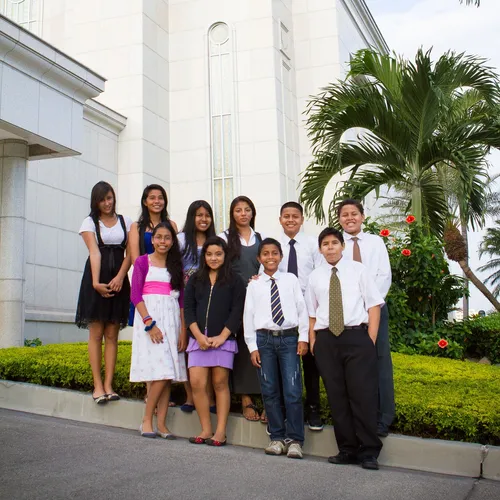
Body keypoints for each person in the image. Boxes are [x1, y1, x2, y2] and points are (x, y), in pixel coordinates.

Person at [305, 228, 384, 470]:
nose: (330, 247)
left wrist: (370, 339)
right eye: (325, 244)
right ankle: (347, 449)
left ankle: (369, 452)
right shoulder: (315, 276)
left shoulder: (359, 270)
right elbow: (311, 313)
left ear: (342, 246)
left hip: (356, 337)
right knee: (337, 397)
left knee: (362, 396)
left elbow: (374, 305)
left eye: (334, 243)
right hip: (327, 340)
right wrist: (313, 342)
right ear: (320, 249)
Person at [245, 238, 309, 459]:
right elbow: (248, 317)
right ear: (259, 258)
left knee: (292, 390)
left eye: (274, 253)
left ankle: (295, 440)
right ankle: (277, 437)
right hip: (264, 341)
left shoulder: (290, 279)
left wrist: (303, 338)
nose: (270, 257)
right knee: (269, 390)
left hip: (289, 339)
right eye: (265, 253)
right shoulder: (253, 284)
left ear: (280, 256)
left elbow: (302, 309)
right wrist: (252, 346)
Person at [337, 199, 395, 438]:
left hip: (374, 310)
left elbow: (384, 276)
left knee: (379, 362)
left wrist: (368, 305)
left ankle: (383, 418)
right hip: (347, 316)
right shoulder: (335, 244)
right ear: (339, 219)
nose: (349, 218)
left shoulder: (375, 242)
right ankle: (356, 418)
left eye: (354, 213)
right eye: (344, 214)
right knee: (350, 368)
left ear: (362, 216)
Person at [184, 237, 246, 446]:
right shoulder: (195, 279)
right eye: (209, 254)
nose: (213, 258)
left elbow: (237, 311)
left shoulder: (235, 280)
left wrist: (222, 336)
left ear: (225, 255)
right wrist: (198, 336)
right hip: (198, 339)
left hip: (224, 340)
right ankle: (205, 428)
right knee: (197, 384)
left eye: (218, 254)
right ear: (204, 256)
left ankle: (220, 432)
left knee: (220, 383)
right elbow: (189, 310)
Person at [128, 184, 185, 408]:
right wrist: (147, 275)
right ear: (145, 201)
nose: (156, 201)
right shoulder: (137, 227)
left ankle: (162, 400)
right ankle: (149, 396)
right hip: (147, 291)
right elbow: (135, 258)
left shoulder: (171, 225)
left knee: (167, 348)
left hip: (167, 292)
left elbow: (175, 260)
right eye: (152, 197)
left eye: (160, 197)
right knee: (150, 348)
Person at [129, 222, 188, 438]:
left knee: (167, 373)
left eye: (167, 238)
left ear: (173, 242)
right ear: (152, 240)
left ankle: (161, 424)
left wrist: (183, 330)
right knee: (161, 372)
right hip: (150, 321)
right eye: (159, 237)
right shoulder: (142, 262)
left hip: (171, 321)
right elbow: (135, 295)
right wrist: (149, 323)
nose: (163, 241)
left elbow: (181, 301)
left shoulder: (176, 266)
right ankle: (146, 419)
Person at [76, 181, 132, 405]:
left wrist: (120, 277)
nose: (107, 203)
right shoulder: (89, 222)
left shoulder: (126, 222)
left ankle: (109, 385)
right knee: (96, 334)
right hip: (95, 280)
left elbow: (130, 253)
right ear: (95, 202)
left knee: (112, 335)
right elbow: (94, 253)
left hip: (119, 281)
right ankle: (97, 386)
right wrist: (97, 283)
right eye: (102, 199)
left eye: (109, 198)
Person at [277, 201, 325, 431]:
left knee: (311, 361)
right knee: (286, 363)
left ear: (302, 219)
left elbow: (320, 273)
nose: (290, 220)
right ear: (280, 220)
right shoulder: (275, 245)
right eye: (286, 216)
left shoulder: (312, 244)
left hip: (310, 308)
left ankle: (313, 409)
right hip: (284, 311)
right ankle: (286, 411)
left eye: (295, 216)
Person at [218, 196, 264, 422]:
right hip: (234, 299)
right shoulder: (224, 238)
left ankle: (266, 397)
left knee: (260, 345)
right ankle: (246, 398)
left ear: (252, 213)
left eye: (247, 209)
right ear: (232, 214)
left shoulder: (261, 238)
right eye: (238, 210)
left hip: (258, 301)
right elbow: (216, 266)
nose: (243, 214)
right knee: (242, 347)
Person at [177, 200, 217, 413]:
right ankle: (190, 395)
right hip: (184, 300)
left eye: (207, 215)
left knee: (206, 345)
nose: (203, 219)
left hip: (207, 300)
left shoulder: (215, 241)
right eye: (199, 215)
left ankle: (209, 397)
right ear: (192, 217)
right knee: (186, 347)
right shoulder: (181, 240)